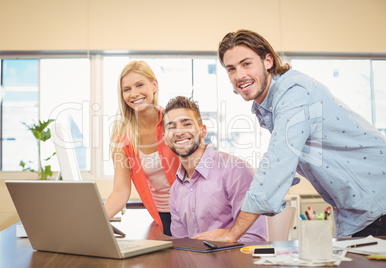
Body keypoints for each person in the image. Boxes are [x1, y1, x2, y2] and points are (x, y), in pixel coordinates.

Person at [194, 29, 386, 242]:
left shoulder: (294, 91)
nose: (239, 75)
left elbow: (279, 161)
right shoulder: (267, 107)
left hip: (378, 200)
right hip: (357, 213)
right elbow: (283, 164)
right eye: (231, 69)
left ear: (268, 61)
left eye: (246, 63)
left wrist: (232, 233)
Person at [162, 96, 268, 242]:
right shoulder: (175, 189)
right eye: (171, 127)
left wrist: (226, 238)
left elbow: (255, 238)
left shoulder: (235, 171)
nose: (179, 132)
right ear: (165, 138)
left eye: (187, 124)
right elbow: (181, 244)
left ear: (203, 131)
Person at [104, 60, 180, 236]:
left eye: (140, 85)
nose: (134, 94)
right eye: (127, 89)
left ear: (154, 85)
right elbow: (120, 191)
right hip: (162, 216)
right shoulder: (123, 138)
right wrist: (95, 221)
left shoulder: (175, 121)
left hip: (193, 212)